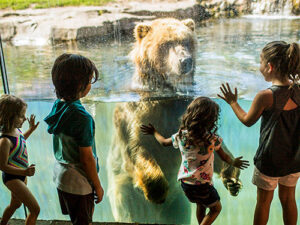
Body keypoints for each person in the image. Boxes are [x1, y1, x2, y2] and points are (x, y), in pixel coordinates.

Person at [218, 41, 300, 225]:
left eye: (261, 62)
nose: (260, 67)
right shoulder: (299, 91)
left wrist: (233, 102)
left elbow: (247, 121)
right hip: (294, 159)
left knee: (263, 202)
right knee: (289, 199)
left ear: (270, 67)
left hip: (269, 160)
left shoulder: (266, 96)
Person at [140, 96, 249, 225]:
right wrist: (234, 162)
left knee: (200, 205)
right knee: (216, 209)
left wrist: (154, 132)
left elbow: (164, 142)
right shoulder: (212, 138)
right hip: (203, 185)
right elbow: (224, 156)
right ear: (212, 120)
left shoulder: (181, 135)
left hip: (185, 185)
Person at [44, 53, 104, 225]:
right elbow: (87, 158)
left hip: (61, 177)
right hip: (79, 184)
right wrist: (98, 186)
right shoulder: (82, 118)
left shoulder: (59, 105)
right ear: (81, 85)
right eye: (90, 80)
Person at [0, 94, 40, 225]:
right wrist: (24, 172)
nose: (24, 119)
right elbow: (2, 166)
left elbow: (20, 142)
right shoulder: (4, 140)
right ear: (10, 117)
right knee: (35, 209)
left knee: (15, 204)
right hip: (13, 178)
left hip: (22, 174)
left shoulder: (16, 130)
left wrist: (31, 130)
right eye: (21, 116)